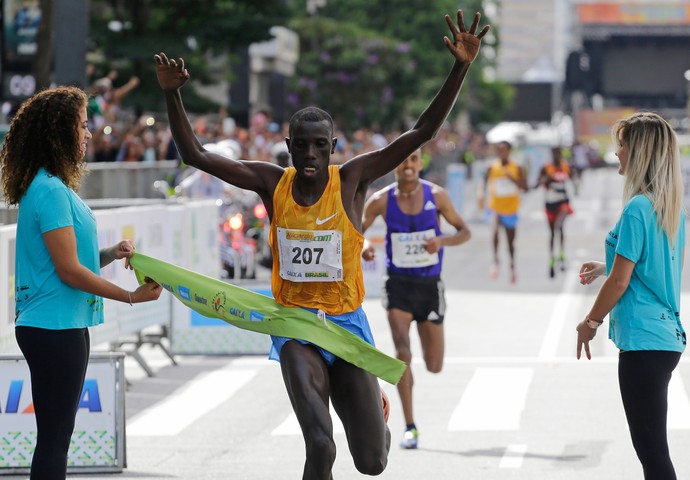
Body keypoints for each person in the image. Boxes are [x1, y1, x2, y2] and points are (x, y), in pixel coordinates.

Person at [154, 9, 488, 478]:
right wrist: (173, 96)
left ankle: (379, 414)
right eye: (301, 145)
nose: (310, 154)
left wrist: (460, 68)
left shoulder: (353, 180)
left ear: (332, 148)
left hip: (347, 324)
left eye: (319, 146)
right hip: (295, 325)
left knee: (372, 462)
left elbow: (421, 132)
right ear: (289, 147)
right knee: (320, 444)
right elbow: (196, 155)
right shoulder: (272, 184)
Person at [0, 86, 163, 480]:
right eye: (83, 126)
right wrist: (130, 296)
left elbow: (71, 259)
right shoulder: (51, 190)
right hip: (54, 327)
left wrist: (110, 253)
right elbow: (69, 271)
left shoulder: (50, 186)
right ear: (60, 131)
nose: (90, 134)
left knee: (56, 439)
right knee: (55, 441)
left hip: (59, 324)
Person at [577, 112, 685, 480]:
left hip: (643, 342)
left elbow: (622, 283)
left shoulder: (638, 207)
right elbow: (647, 264)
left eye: (621, 146)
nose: (617, 153)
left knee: (653, 455)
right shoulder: (668, 206)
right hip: (665, 338)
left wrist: (590, 322)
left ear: (638, 153)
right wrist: (605, 264)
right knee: (654, 452)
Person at [361, 148, 471, 449]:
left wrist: (442, 240)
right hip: (398, 286)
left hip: (429, 286)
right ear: (395, 164)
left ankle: (412, 383)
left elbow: (464, 232)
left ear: (420, 163)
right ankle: (410, 426)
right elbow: (355, 232)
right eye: (402, 160)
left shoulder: (437, 196)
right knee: (402, 352)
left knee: (434, 364)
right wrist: (364, 247)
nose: (408, 165)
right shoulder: (381, 200)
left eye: (413, 159)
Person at [481, 140, 527, 283]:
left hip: (511, 210)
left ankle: (512, 266)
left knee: (510, 242)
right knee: (494, 231)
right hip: (495, 208)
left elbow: (526, 187)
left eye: (505, 150)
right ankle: (495, 261)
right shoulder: (492, 167)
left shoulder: (517, 167)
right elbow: (483, 182)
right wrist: (480, 194)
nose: (502, 153)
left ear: (509, 151)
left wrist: (512, 179)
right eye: (499, 150)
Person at [537, 146, 574, 278]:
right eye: (554, 153)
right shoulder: (546, 168)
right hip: (550, 203)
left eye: (559, 153)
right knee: (553, 233)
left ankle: (562, 256)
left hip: (562, 202)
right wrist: (546, 179)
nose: (557, 156)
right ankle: (552, 258)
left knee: (559, 226)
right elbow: (538, 182)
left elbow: (572, 178)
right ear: (551, 154)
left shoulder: (565, 166)